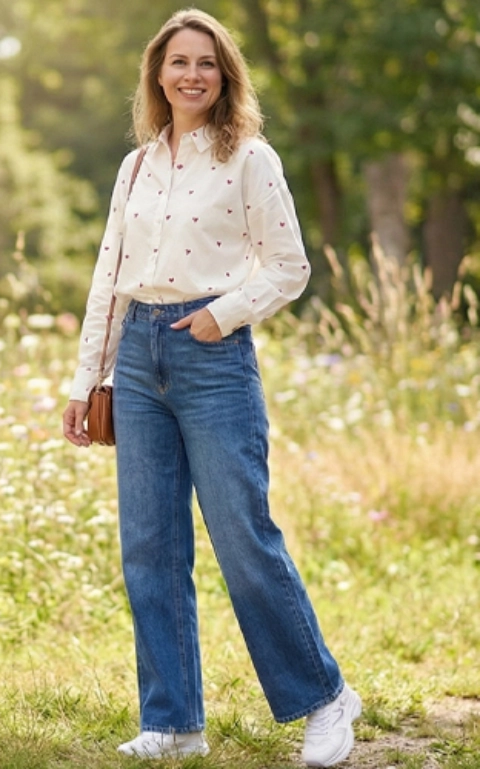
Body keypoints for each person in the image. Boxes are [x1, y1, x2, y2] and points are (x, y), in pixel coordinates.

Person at [63, 8, 361, 767]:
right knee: (150, 547)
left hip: (213, 356)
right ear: (157, 75)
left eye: (206, 62)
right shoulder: (136, 166)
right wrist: (85, 376)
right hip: (134, 360)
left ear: (225, 75)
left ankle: (325, 698)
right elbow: (109, 278)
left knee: (242, 537)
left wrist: (219, 316)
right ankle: (173, 722)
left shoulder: (250, 157)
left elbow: (289, 267)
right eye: (177, 62)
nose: (191, 74)